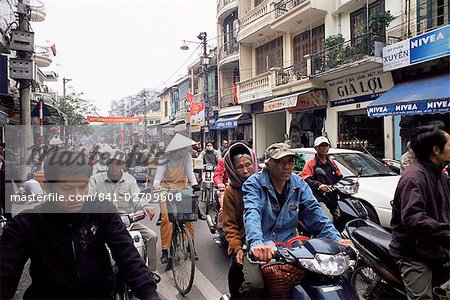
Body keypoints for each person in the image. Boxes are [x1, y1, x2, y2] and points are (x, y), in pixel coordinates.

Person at [0, 150, 160, 299]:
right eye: (67, 188)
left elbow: (127, 255)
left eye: (82, 187)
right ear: (47, 187)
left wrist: (150, 293)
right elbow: (5, 272)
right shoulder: (26, 224)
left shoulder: (102, 210)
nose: (76, 196)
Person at [240, 142, 345, 299]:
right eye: (280, 162)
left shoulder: (299, 183)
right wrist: (257, 244)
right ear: (268, 164)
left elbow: (314, 212)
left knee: (323, 278)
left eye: (290, 161)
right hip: (262, 247)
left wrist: (337, 239)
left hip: (292, 248)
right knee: (253, 286)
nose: (286, 166)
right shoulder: (253, 184)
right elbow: (252, 213)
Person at [390, 121, 450, 300]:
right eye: (448, 144)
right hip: (415, 253)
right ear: (436, 150)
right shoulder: (414, 177)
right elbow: (414, 219)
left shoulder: (440, 174)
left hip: (439, 247)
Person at [89, 149, 159, 277]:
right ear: (107, 163)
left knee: (152, 236)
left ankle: (151, 272)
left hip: (128, 222)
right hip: (103, 226)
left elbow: (137, 197)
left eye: (118, 163)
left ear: (123, 164)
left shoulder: (130, 180)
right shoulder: (96, 180)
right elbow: (89, 199)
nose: (114, 166)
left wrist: (146, 206)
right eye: (111, 162)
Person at [152, 133, 200, 264]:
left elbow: (190, 173)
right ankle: (165, 250)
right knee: (166, 219)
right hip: (165, 189)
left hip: (182, 188)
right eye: (184, 148)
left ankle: (191, 246)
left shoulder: (187, 156)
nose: (186, 150)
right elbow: (158, 175)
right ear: (176, 148)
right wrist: (156, 184)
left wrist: (194, 185)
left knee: (188, 217)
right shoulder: (164, 158)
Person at [222, 142, 258, 299]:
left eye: (248, 165)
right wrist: (237, 248)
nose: (245, 171)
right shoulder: (231, 191)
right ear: (232, 169)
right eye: (240, 167)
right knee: (241, 277)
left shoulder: (264, 184)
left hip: (269, 243)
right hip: (243, 243)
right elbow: (229, 225)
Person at [301, 136, 343, 221]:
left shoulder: (332, 162)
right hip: (319, 198)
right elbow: (306, 179)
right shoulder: (311, 163)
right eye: (321, 146)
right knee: (328, 220)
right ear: (316, 148)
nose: (324, 148)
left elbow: (339, 177)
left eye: (326, 145)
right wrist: (319, 186)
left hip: (333, 197)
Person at [212, 157, 229, 244]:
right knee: (225, 208)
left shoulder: (248, 159)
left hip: (243, 189)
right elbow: (217, 174)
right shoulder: (224, 161)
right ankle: (218, 231)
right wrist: (219, 183)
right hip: (226, 189)